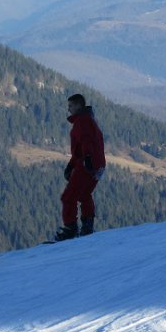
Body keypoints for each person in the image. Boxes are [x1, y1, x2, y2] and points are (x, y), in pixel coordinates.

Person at [56, 94, 106, 241]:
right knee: (84, 194)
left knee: (68, 197)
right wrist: (71, 166)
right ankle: (87, 226)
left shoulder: (82, 121)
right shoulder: (88, 120)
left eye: (70, 106)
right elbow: (81, 148)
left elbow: (85, 141)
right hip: (98, 165)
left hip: (87, 164)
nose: (68, 109)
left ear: (78, 105)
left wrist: (87, 159)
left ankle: (70, 229)